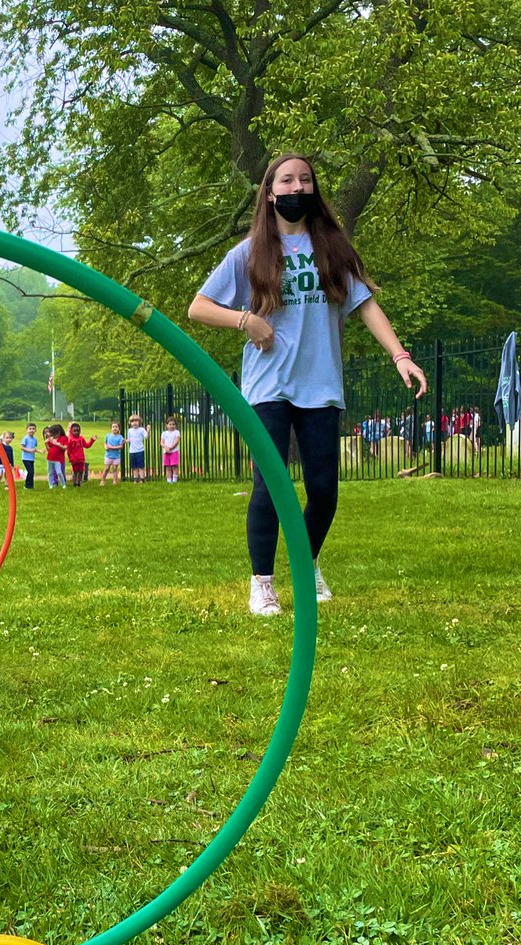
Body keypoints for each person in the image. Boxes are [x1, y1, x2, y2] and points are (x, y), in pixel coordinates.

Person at [188, 152, 427, 615]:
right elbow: (198, 307)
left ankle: (307, 562)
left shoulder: (333, 250)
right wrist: (245, 321)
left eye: (305, 180)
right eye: (287, 180)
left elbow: (367, 305)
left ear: (312, 190)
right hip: (267, 388)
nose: (297, 188)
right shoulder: (249, 253)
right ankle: (262, 584)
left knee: (323, 491)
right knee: (271, 486)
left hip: (321, 387)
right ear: (270, 192)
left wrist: (400, 356)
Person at [64, 422, 96, 487]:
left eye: (78, 431)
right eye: (74, 431)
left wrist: (92, 440)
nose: (76, 432)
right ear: (71, 431)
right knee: (75, 471)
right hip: (74, 459)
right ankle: (75, 483)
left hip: (81, 459)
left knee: (81, 471)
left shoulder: (81, 438)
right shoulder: (70, 440)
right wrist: (71, 458)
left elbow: (87, 445)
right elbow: (69, 451)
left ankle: (79, 482)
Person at [126, 414, 150, 482]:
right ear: (130, 423)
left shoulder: (141, 430)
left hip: (140, 450)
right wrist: (125, 441)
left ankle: (142, 479)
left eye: (136, 421)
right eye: (132, 421)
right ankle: (135, 479)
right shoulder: (129, 430)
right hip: (132, 451)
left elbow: (147, 437)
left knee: (141, 466)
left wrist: (148, 431)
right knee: (134, 467)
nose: (134, 422)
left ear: (139, 422)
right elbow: (129, 439)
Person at [44, 423, 68, 488]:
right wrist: (46, 444)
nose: (52, 436)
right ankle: (51, 484)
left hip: (59, 459)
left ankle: (63, 483)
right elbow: (49, 449)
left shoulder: (64, 438)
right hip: (50, 458)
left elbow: (65, 448)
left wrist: (58, 444)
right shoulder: (51, 439)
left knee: (59, 472)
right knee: (50, 472)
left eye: (53, 434)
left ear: (58, 432)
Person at [100, 420, 124, 485]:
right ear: (111, 428)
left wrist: (112, 447)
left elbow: (121, 446)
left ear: (119, 428)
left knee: (115, 468)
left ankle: (115, 481)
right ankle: (103, 480)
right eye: (113, 427)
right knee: (106, 468)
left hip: (116, 456)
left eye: (116, 427)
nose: (115, 428)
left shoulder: (120, 437)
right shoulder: (108, 435)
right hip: (108, 455)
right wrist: (106, 447)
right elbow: (105, 443)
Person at [161, 416, 181, 483]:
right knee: (168, 467)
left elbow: (177, 440)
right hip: (166, 452)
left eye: (173, 424)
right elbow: (161, 442)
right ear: (166, 425)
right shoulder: (164, 433)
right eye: (170, 424)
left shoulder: (177, 432)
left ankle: (175, 480)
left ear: (175, 425)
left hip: (174, 451)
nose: (172, 426)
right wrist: (166, 447)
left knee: (174, 466)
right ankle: (169, 480)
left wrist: (170, 448)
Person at [19, 422, 39, 489]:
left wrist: (39, 451)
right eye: (30, 429)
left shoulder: (35, 439)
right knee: (30, 471)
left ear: (35, 430)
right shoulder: (25, 438)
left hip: (32, 458)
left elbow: (34, 448)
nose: (32, 430)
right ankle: (27, 485)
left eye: (33, 429)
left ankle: (31, 485)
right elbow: (22, 447)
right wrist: (29, 450)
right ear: (27, 430)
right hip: (25, 458)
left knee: (32, 472)